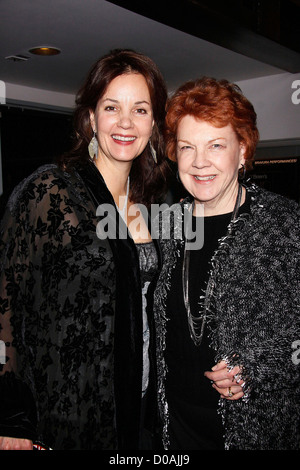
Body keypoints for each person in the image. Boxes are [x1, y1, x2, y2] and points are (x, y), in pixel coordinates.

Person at [0, 49, 169, 450]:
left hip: (141, 409)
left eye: (140, 110)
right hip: (67, 416)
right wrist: (10, 419)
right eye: (112, 107)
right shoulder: (50, 192)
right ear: (92, 118)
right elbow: (6, 302)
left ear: (153, 123)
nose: (126, 122)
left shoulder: (152, 202)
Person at [153, 77, 300, 450]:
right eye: (187, 147)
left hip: (258, 432)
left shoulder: (285, 225)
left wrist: (256, 368)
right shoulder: (166, 225)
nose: (199, 162)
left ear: (244, 150)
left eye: (216, 145)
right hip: (175, 426)